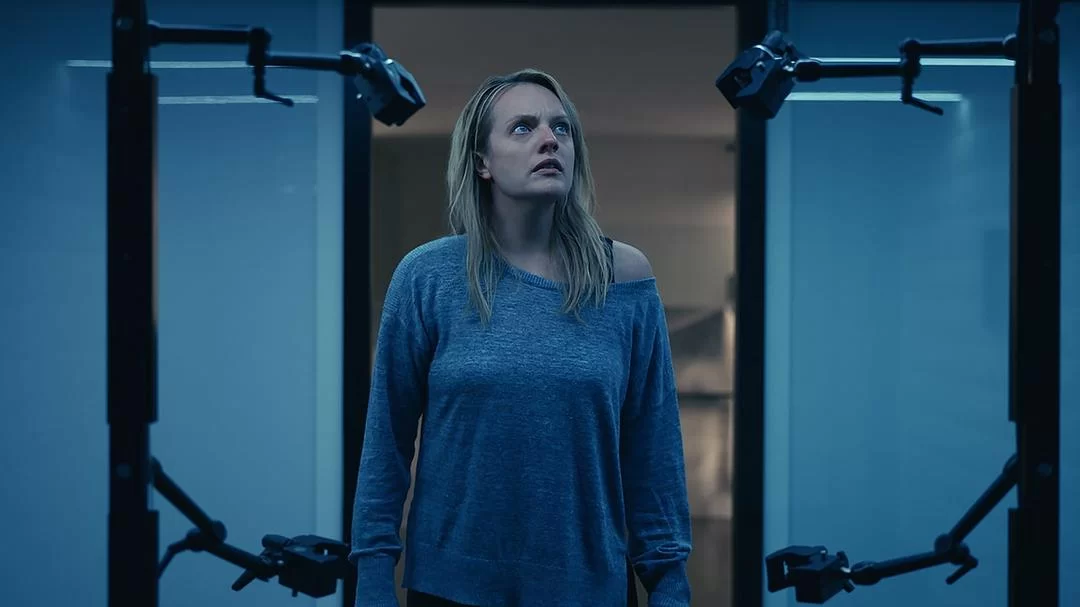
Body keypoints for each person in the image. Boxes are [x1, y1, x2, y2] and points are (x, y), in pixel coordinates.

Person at [348, 68, 693, 607]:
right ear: (481, 162)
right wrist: (372, 578)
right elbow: (385, 441)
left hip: (587, 589)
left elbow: (653, 450)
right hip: (452, 589)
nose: (550, 139)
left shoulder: (623, 278)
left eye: (562, 127)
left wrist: (669, 583)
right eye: (523, 127)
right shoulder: (427, 277)